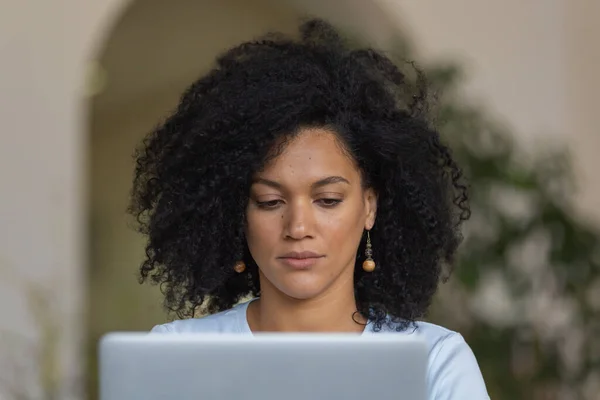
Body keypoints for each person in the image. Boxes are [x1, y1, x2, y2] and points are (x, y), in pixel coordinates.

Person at [129, 19, 489, 399]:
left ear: (370, 207)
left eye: (328, 200)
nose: (298, 226)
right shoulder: (176, 356)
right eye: (270, 202)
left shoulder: (433, 362)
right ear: (236, 214)